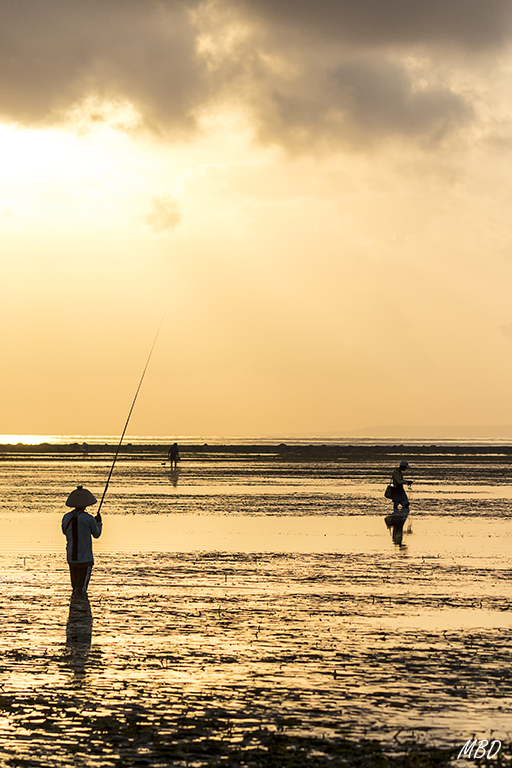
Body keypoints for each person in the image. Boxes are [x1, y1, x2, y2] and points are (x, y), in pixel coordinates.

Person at [62, 486, 102, 597]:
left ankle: (75, 609)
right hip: (85, 559)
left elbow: (64, 532)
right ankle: (82, 610)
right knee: (82, 590)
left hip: (71, 558)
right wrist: (98, 522)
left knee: (75, 587)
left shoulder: (66, 518)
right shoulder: (89, 518)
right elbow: (97, 534)